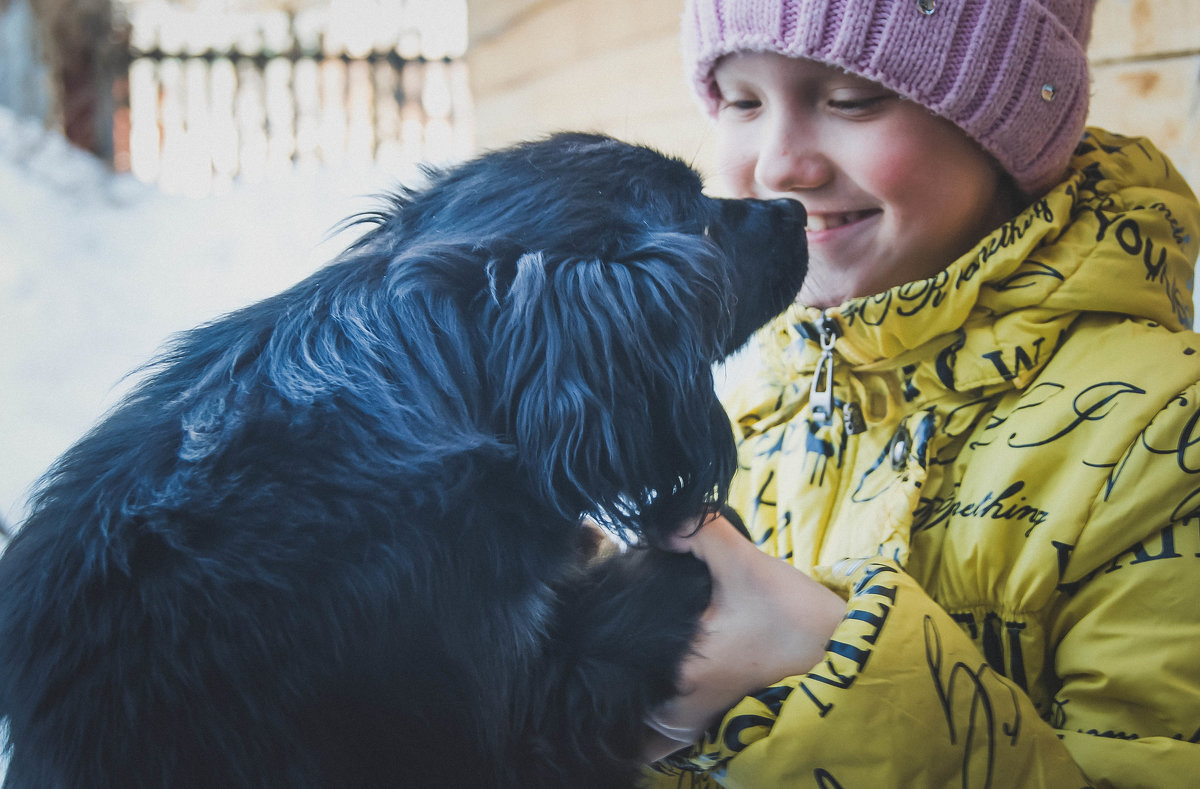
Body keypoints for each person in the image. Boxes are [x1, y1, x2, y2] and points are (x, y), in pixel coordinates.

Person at [642, 0, 1200, 785]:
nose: (777, 165)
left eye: (851, 100)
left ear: (1006, 125)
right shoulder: (749, 386)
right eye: (742, 101)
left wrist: (827, 664)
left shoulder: (1166, 434)